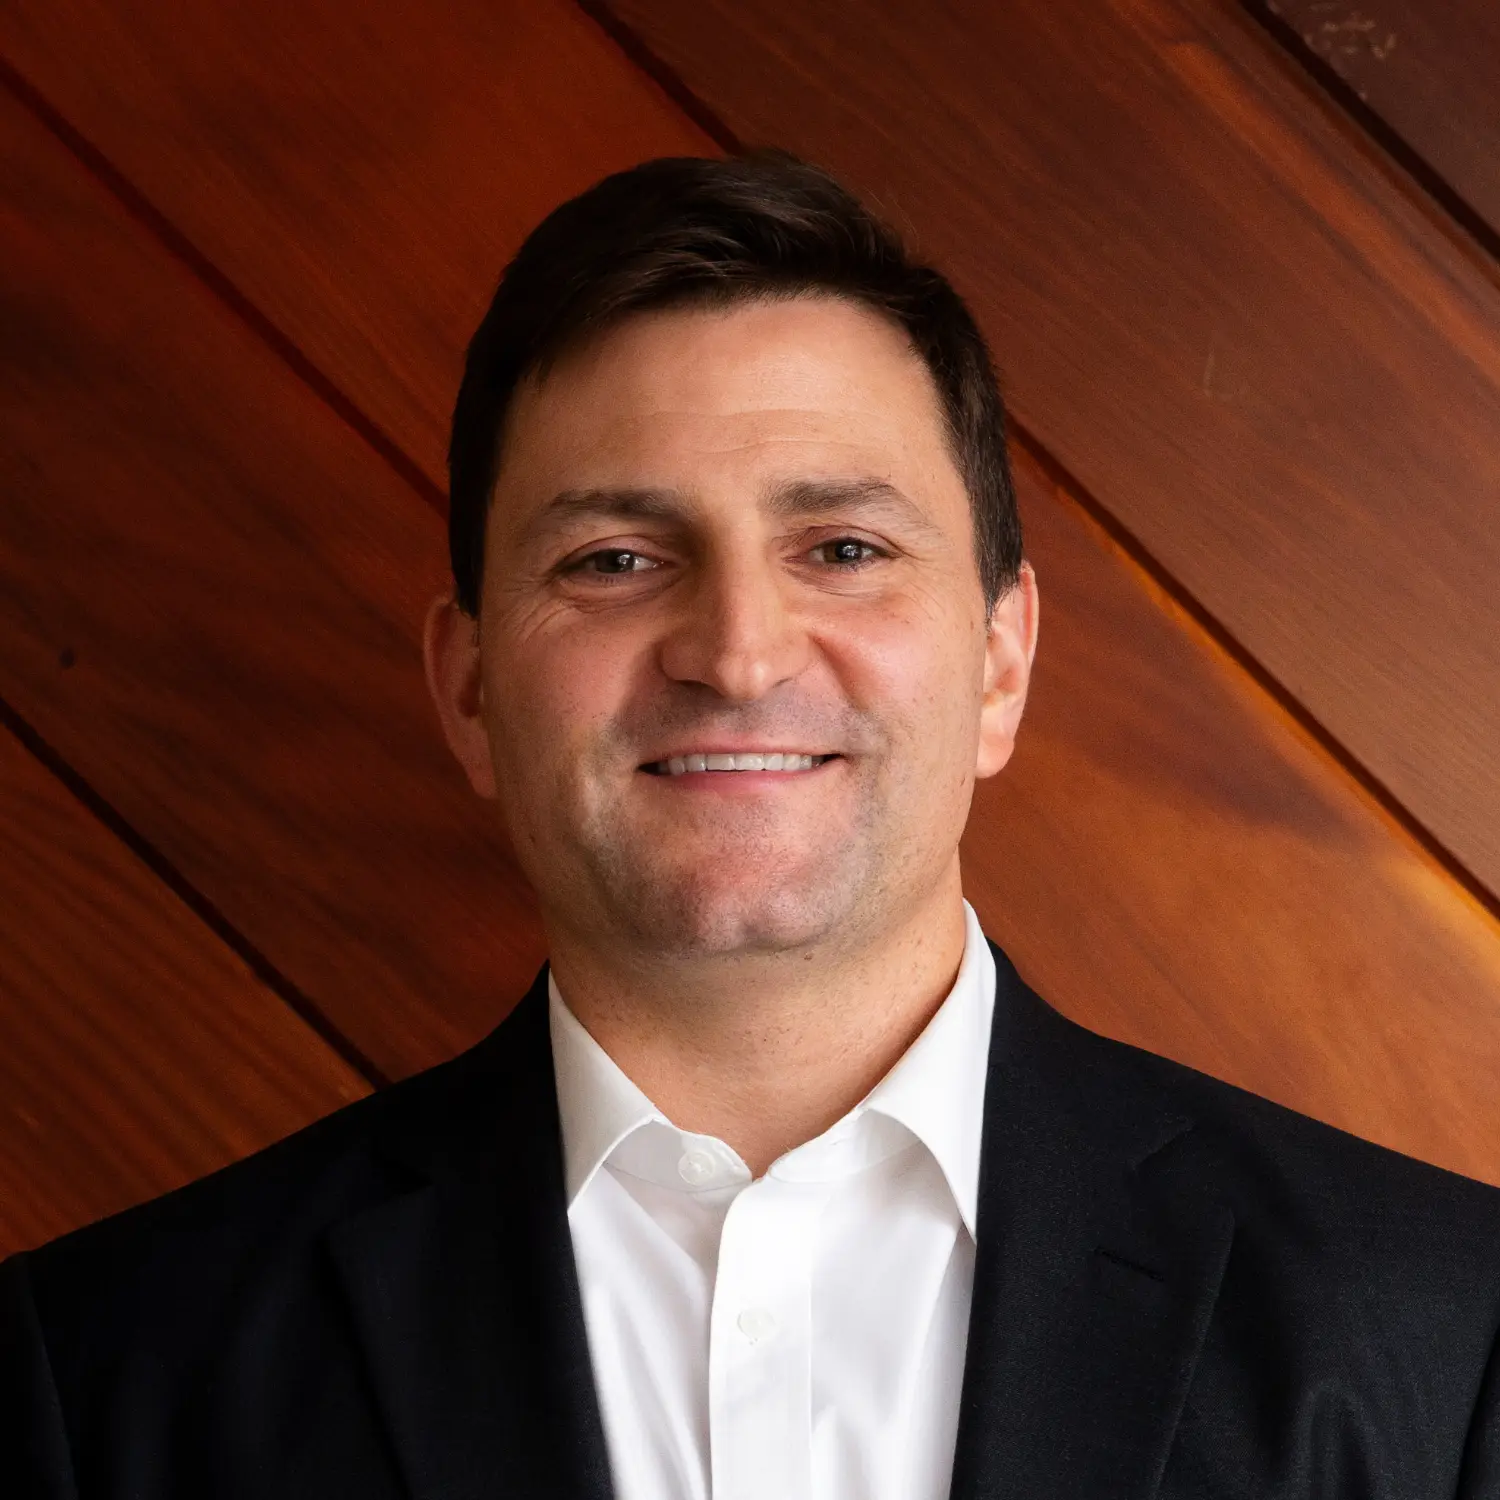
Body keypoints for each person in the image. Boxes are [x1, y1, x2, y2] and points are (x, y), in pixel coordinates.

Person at [2, 148, 1497, 1500]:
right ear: (468, 692)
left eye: (842, 548)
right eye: (613, 558)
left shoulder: (1452, 1332)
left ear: (1000, 660)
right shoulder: (102, 1379)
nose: (738, 650)